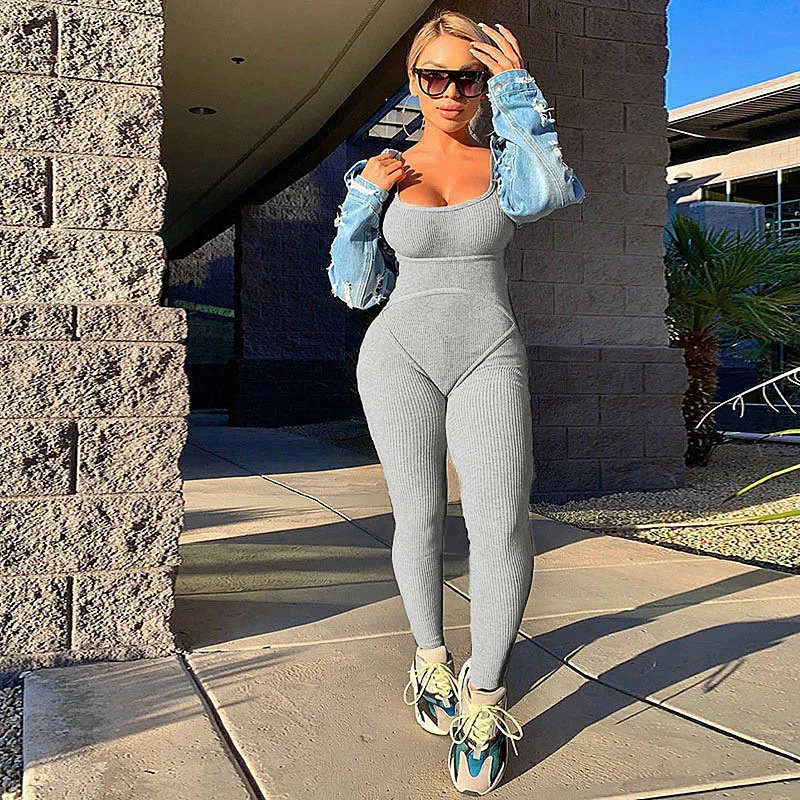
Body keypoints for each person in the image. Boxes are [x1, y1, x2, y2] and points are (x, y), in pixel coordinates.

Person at [327, 9, 585, 795]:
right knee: (417, 518)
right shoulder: (383, 170)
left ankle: (486, 700)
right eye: (433, 76)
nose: (449, 91)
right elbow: (355, 290)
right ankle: (431, 661)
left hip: (487, 354)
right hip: (397, 354)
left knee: (501, 521)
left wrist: (517, 92)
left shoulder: (507, 161)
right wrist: (364, 201)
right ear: (411, 81)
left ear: (482, 85)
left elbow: (547, 196)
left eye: (466, 77)